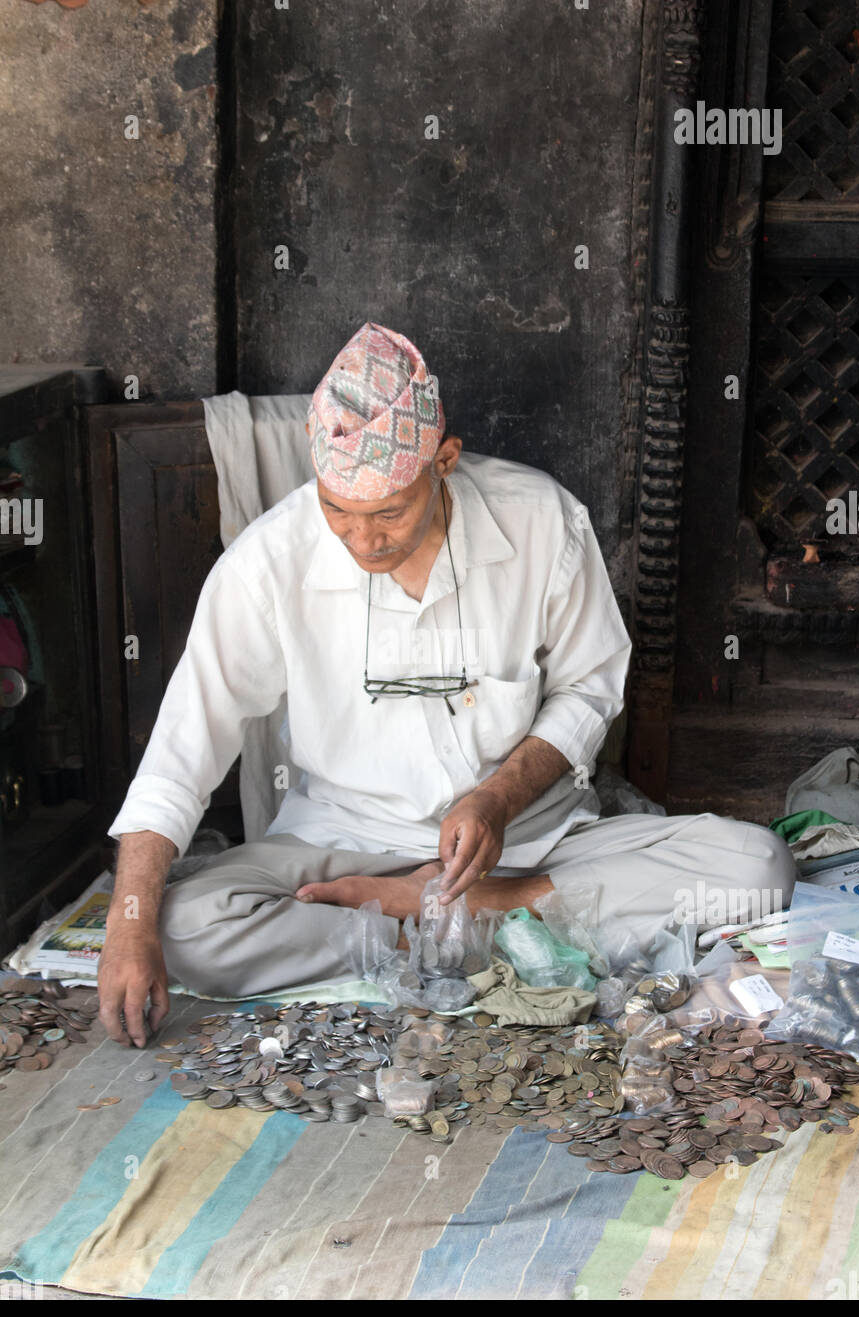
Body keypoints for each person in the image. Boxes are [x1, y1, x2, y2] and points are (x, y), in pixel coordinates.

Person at [98, 322, 796, 1047]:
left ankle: (474, 908)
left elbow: (590, 688)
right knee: (181, 926)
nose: (363, 541)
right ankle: (444, 924)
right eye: (338, 511)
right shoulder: (266, 563)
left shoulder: (542, 523)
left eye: (388, 514)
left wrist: (497, 800)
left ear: (444, 462)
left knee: (757, 868)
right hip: (346, 839)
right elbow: (182, 750)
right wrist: (129, 925)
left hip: (530, 840)